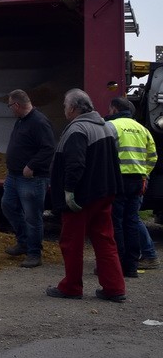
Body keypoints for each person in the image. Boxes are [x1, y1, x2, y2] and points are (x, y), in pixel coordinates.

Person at [45, 88, 126, 303]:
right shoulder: (106, 127)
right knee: (105, 240)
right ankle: (114, 288)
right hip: (105, 193)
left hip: (82, 197)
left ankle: (71, 287)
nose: (64, 110)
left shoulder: (77, 130)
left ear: (72, 108)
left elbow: (75, 164)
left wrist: (69, 192)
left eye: (64, 106)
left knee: (72, 242)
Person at [1, 89, 56, 268]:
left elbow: (48, 148)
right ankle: (23, 242)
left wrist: (31, 165)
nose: (10, 109)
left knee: (33, 217)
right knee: (8, 206)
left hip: (31, 178)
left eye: (10, 105)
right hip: (13, 176)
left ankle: (34, 252)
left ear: (17, 105)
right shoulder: (21, 121)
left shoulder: (39, 122)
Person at [105, 97, 157, 277]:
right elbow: (153, 156)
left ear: (114, 109)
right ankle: (132, 266)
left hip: (118, 181)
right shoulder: (142, 129)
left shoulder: (111, 127)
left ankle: (117, 264)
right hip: (137, 181)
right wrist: (144, 174)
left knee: (116, 223)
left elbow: (105, 154)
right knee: (132, 221)